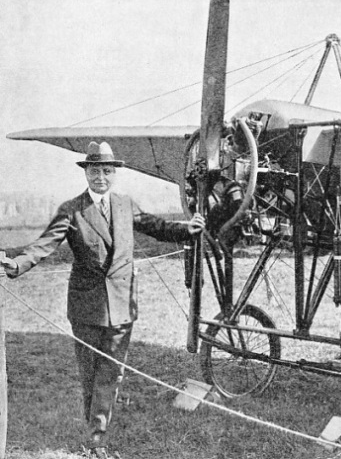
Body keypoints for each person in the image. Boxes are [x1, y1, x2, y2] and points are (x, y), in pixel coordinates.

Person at [1, 141, 205, 459]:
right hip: (87, 309)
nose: (101, 177)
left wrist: (187, 230)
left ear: (115, 174)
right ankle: (98, 423)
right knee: (91, 372)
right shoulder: (71, 210)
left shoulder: (126, 205)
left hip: (123, 306)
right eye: (95, 171)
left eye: (107, 171)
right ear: (86, 173)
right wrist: (15, 263)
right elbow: (44, 245)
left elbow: (158, 227)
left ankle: (97, 434)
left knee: (111, 371)